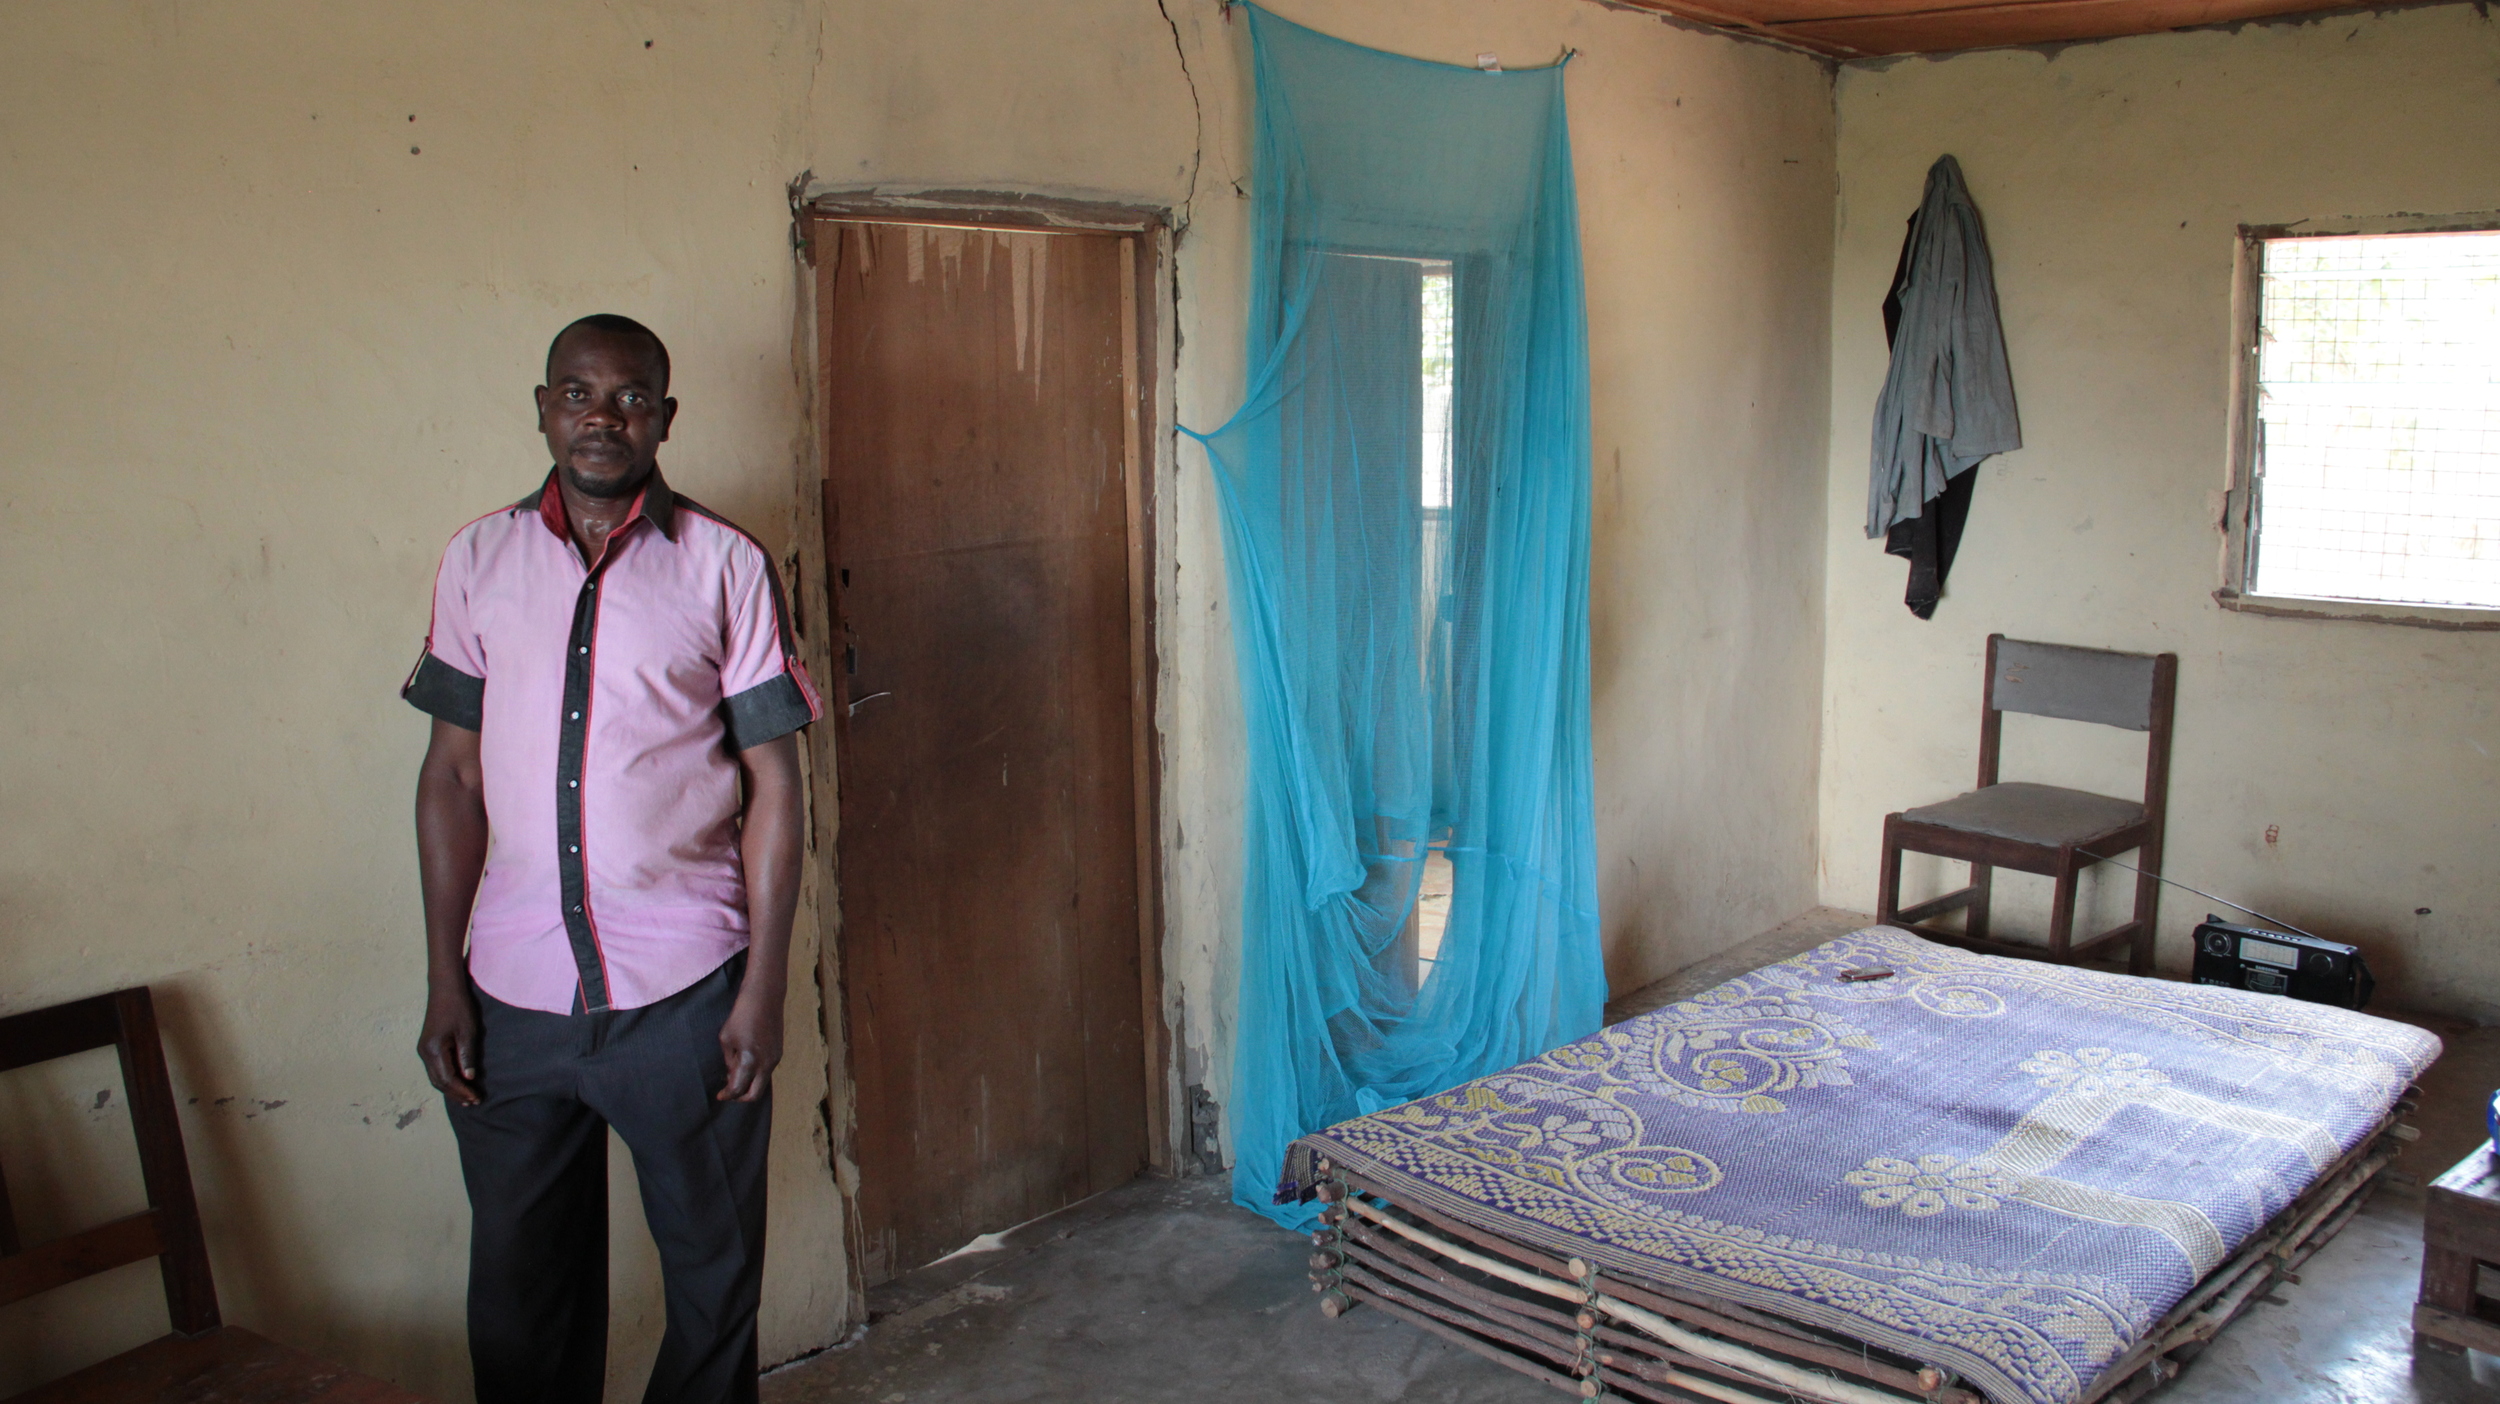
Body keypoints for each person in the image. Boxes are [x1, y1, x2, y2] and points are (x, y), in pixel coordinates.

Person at [403, 314, 820, 1404]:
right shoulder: (477, 560)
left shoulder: (727, 565)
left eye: (630, 396)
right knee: (519, 1300)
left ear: (665, 418)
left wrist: (763, 990)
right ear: (542, 407)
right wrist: (447, 979)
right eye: (577, 393)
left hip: (685, 995)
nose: (601, 416)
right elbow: (451, 778)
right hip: (513, 995)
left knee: (712, 1288)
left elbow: (777, 784)